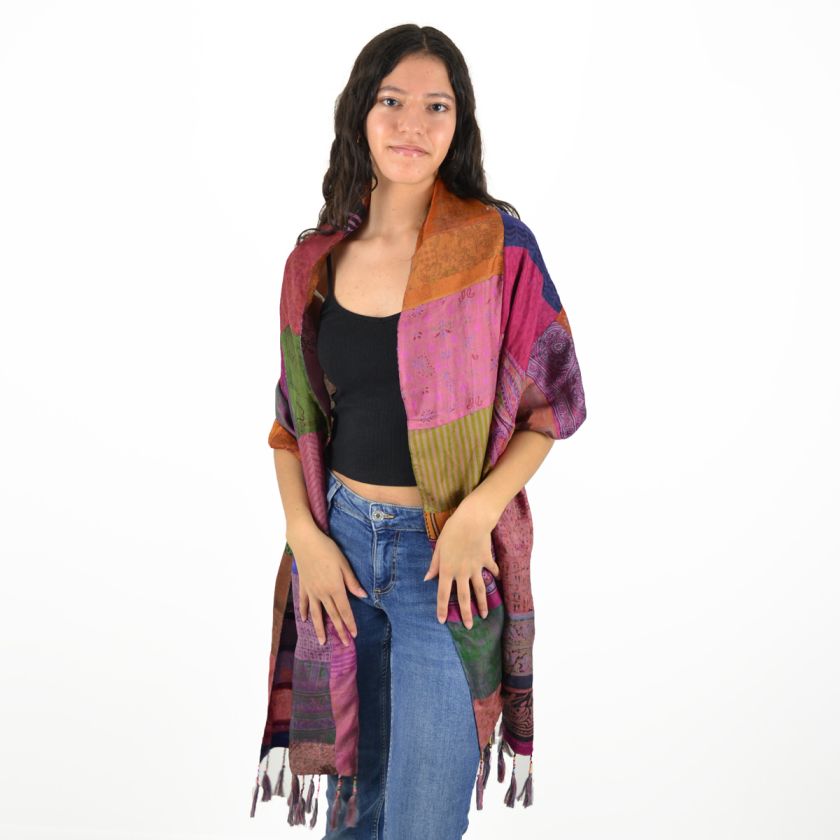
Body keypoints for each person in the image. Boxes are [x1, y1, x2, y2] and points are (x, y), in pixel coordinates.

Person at [251, 23, 587, 839]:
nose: (412, 124)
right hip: (336, 555)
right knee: (353, 817)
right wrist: (305, 538)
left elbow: (551, 409)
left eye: (436, 106)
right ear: (360, 115)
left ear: (458, 122)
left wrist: (475, 517)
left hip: (445, 564)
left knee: (422, 822)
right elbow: (293, 426)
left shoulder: (496, 248)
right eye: (392, 101)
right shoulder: (315, 260)